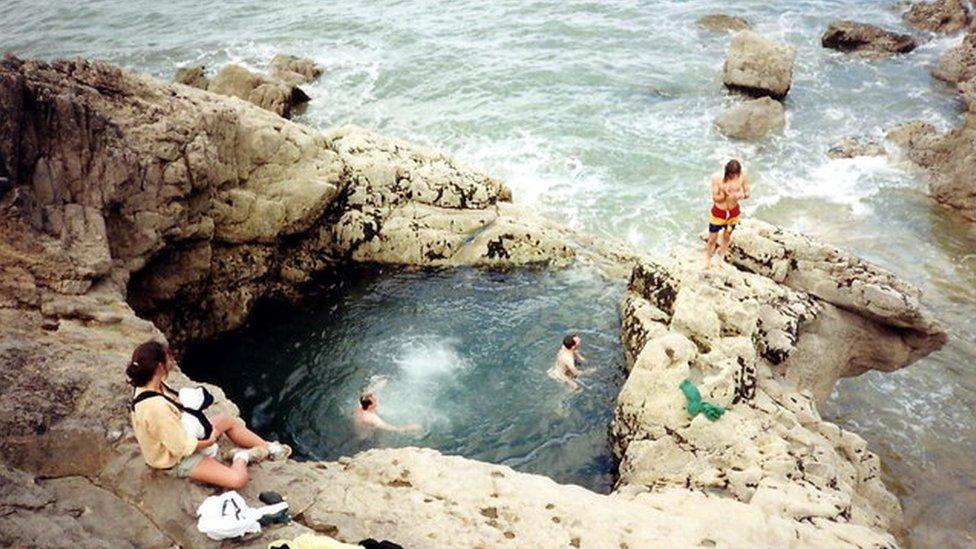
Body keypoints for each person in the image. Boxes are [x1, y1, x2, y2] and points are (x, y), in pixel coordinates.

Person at [126, 340, 290, 489]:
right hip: (174, 458)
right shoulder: (155, 408)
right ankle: (241, 456)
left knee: (225, 419)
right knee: (236, 480)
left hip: (181, 431)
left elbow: (174, 407)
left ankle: (269, 448)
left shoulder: (149, 384)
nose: (171, 362)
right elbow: (181, 447)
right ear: (160, 367)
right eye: (168, 359)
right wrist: (209, 440)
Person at [705, 159, 750, 267]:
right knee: (712, 239)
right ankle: (707, 260)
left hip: (733, 214)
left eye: (735, 175)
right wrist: (725, 195)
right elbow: (715, 198)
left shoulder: (743, 176)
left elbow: (747, 193)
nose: (732, 178)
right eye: (730, 175)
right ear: (727, 172)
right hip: (718, 214)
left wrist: (741, 196)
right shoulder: (717, 178)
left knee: (726, 237)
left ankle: (721, 259)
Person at [353, 391, 422, 435]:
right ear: (370, 406)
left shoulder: (360, 407)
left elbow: (363, 397)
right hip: (366, 438)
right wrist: (411, 427)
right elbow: (393, 429)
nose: (377, 401)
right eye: (375, 401)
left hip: (359, 430)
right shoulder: (372, 418)